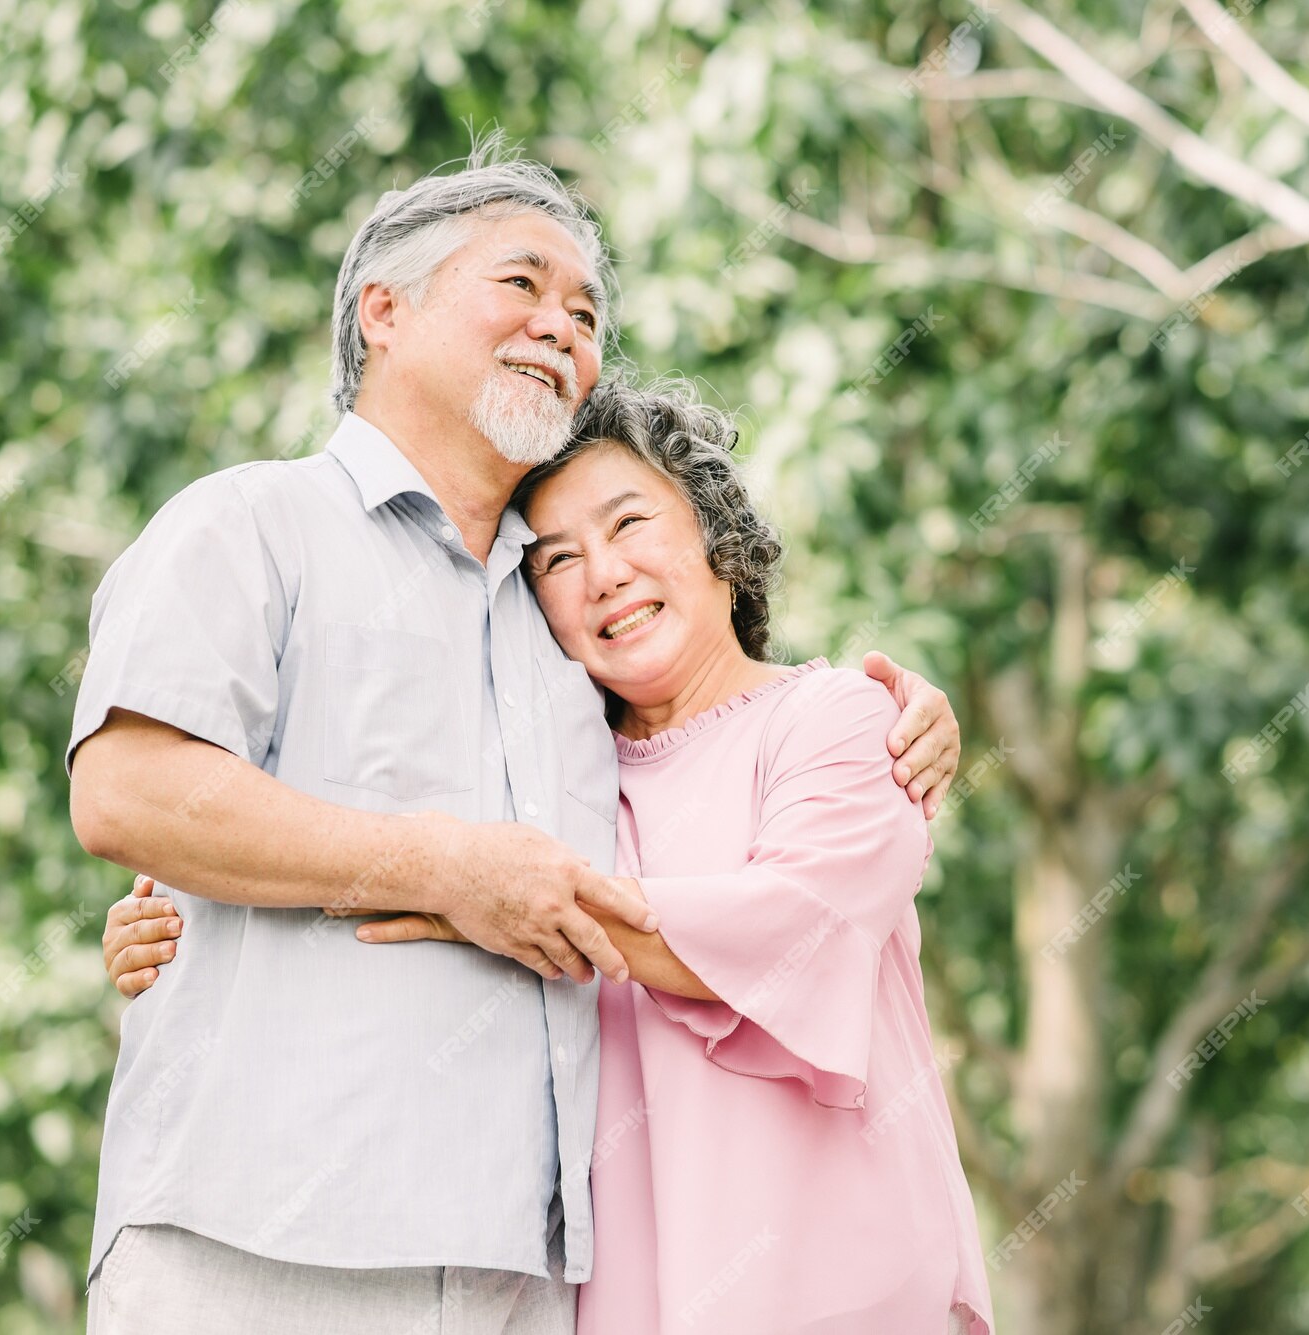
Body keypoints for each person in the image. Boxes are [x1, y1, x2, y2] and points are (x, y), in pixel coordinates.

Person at [68, 140, 964, 1335]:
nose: (563, 326)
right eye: (523, 284)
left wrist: (902, 720)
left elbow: (725, 792)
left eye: (586, 310)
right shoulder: (250, 525)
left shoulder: (560, 645)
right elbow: (125, 793)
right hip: (264, 1246)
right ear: (382, 311)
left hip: (530, 1282)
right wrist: (428, 870)